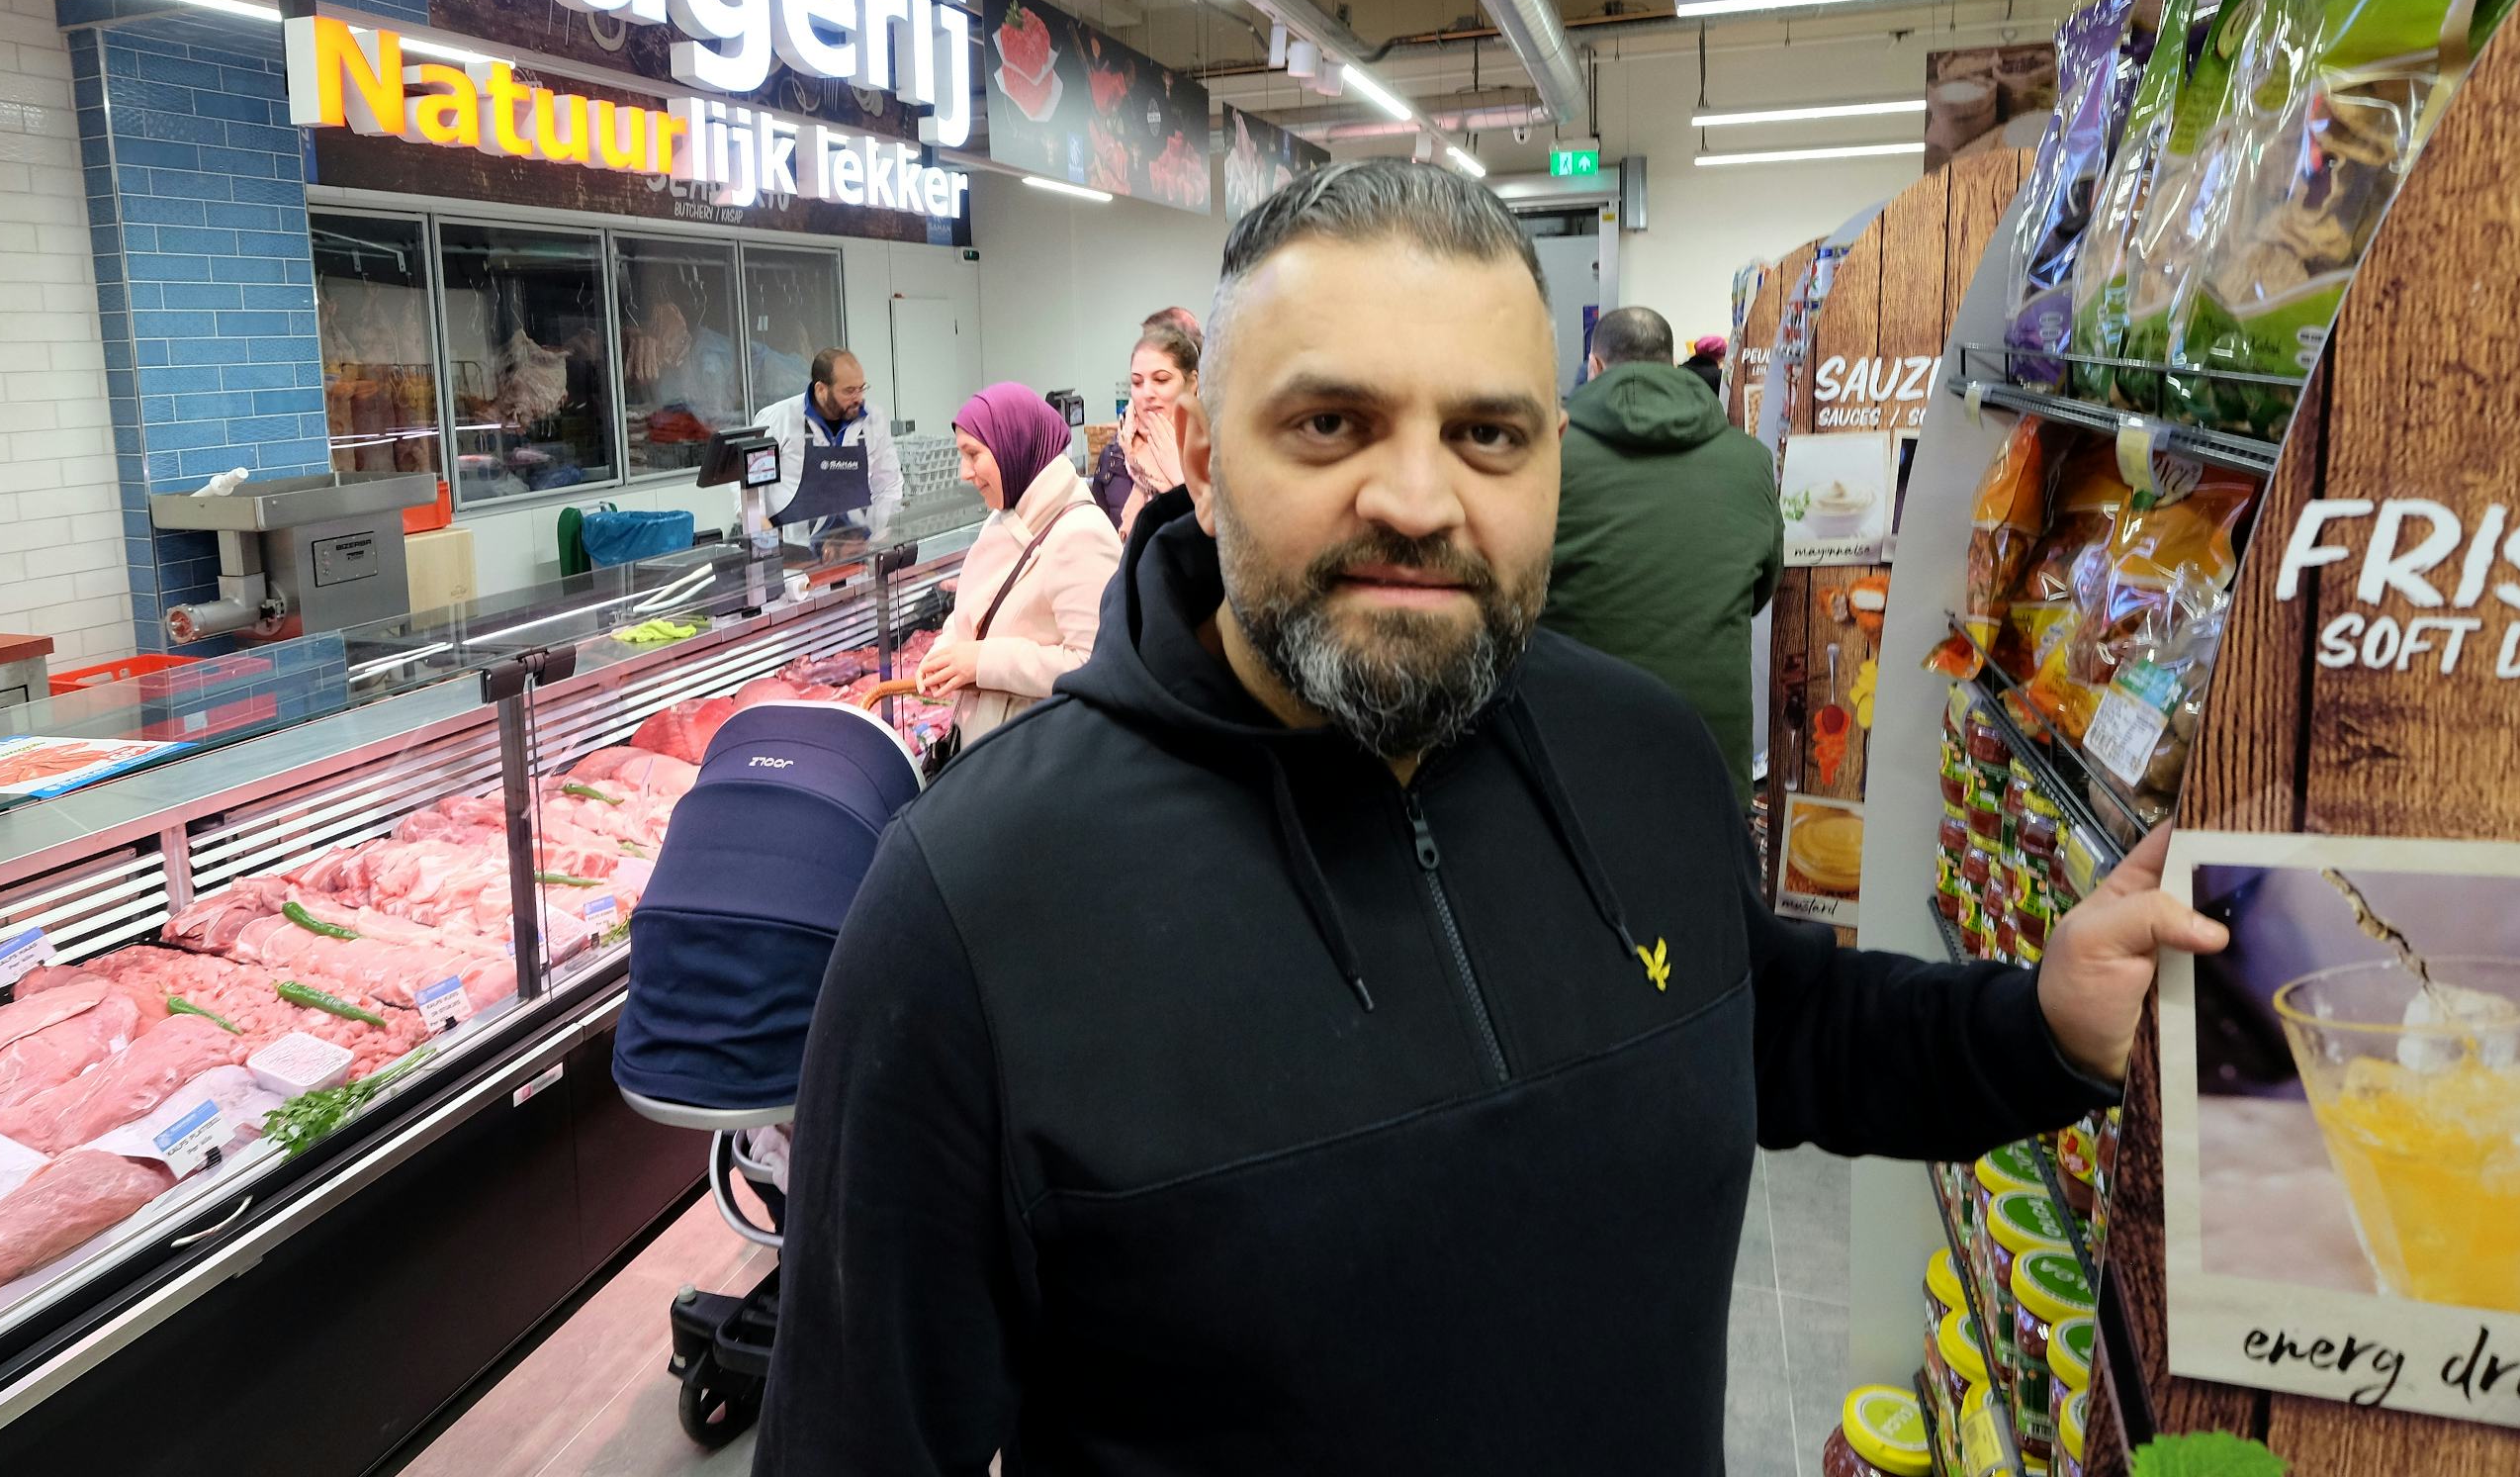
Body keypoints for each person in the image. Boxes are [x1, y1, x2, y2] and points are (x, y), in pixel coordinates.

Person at [758, 161, 2222, 1475]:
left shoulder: (1641, 755)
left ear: (1552, 461)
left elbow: (1776, 1026)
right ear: (1197, 454)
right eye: (1330, 423)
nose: (1418, 497)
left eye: (1488, 433)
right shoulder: (972, 910)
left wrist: (2042, 1024)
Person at [1541, 305, 1782, 776]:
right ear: (1671, 363)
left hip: (1576, 748)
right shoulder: (1750, 459)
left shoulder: (1548, 457)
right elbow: (1760, 589)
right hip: (1710, 754)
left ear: (1594, 366)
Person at [908, 382, 1121, 748]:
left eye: (973, 454)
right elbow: (981, 607)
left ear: (1012, 444)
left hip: (1042, 755)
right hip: (993, 746)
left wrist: (982, 662)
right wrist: (948, 649)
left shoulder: (1081, 533)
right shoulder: (1006, 514)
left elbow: (1098, 665)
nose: (964, 472)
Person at [753, 348, 900, 549]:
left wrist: (876, 536)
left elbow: (889, 484)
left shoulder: (873, 419)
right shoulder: (778, 419)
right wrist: (767, 545)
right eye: (849, 391)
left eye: (861, 388)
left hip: (856, 551)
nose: (858, 398)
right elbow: (750, 490)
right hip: (794, 554)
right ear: (821, 389)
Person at [1092, 313, 1201, 536]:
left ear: (1191, 383)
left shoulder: (1217, 452)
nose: (1147, 393)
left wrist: (1182, 478)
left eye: (1161, 380)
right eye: (1137, 382)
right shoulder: (1116, 455)